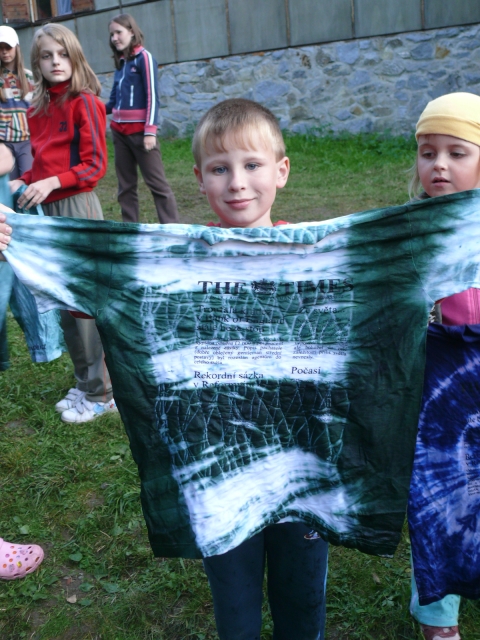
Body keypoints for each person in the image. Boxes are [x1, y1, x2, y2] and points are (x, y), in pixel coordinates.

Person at [191, 98, 328, 639]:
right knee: (235, 606)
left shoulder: (319, 256)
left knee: (302, 600)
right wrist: (22, 245)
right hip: (221, 475)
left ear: (282, 170)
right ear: (199, 178)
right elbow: (98, 290)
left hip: (302, 471)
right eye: (219, 168)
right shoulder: (182, 260)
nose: (237, 183)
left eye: (252, 165)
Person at [9, 23, 116, 424]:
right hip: (46, 213)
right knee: (62, 301)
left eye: (63, 54)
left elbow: (94, 166)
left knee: (84, 306)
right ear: (36, 63)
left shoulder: (84, 102)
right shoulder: (38, 108)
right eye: (46, 56)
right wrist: (24, 179)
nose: (56, 62)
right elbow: (42, 163)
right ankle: (86, 382)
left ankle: (104, 393)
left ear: (75, 57)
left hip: (77, 208)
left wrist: (52, 182)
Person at [407, 92, 480, 640]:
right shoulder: (410, 232)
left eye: (458, 153)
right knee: (439, 501)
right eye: (428, 152)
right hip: (436, 395)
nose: (439, 165)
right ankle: (439, 618)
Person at [106, 13, 179, 224]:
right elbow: (113, 102)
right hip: (119, 133)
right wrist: (89, 107)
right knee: (125, 186)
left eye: (118, 32)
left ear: (131, 32)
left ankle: (173, 229)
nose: (114, 38)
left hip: (140, 134)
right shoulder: (121, 63)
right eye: (112, 34)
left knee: (158, 185)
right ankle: (130, 228)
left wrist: (150, 131)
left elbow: (152, 97)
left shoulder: (144, 58)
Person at [0, 25, 35, 179]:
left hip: (26, 140)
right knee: (9, 183)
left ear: (17, 47)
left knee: (28, 179)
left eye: (8, 47)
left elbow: (37, 107)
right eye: (0, 48)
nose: (4, 52)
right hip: (4, 142)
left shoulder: (29, 77)